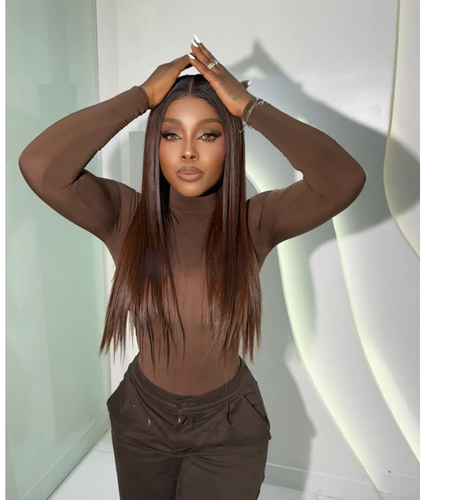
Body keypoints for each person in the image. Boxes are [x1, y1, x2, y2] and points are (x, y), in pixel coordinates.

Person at [18, 37, 366, 500]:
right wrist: (141, 97)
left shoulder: (255, 222)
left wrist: (249, 108)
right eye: (170, 134)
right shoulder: (126, 216)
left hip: (227, 430)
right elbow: (40, 166)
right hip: (140, 419)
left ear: (229, 144)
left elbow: (343, 179)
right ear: (155, 145)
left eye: (207, 134)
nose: (187, 151)